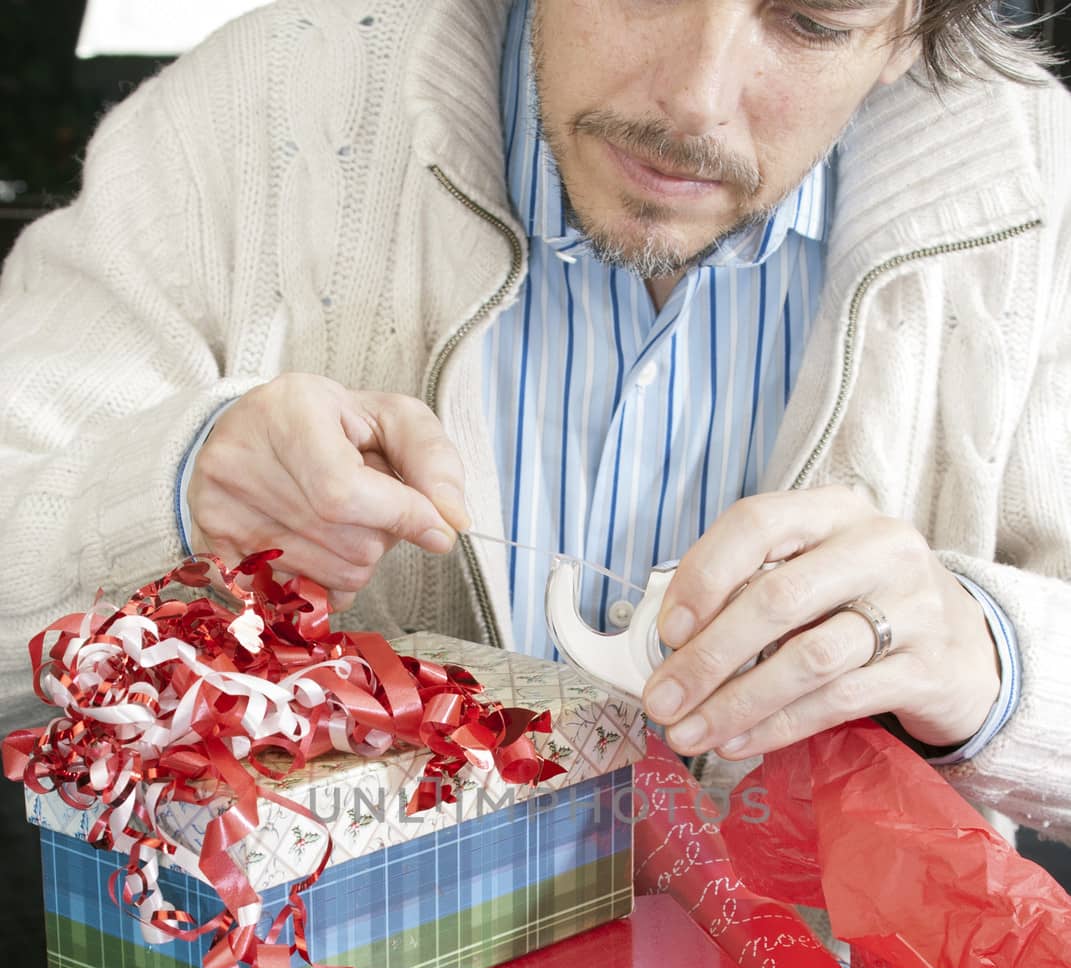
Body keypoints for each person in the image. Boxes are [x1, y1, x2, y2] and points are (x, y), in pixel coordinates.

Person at [0, 0, 1068, 837]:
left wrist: (987, 658)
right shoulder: (247, 121)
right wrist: (173, 493)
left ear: (911, 29)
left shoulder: (1042, 193)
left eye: (812, 21)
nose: (696, 102)